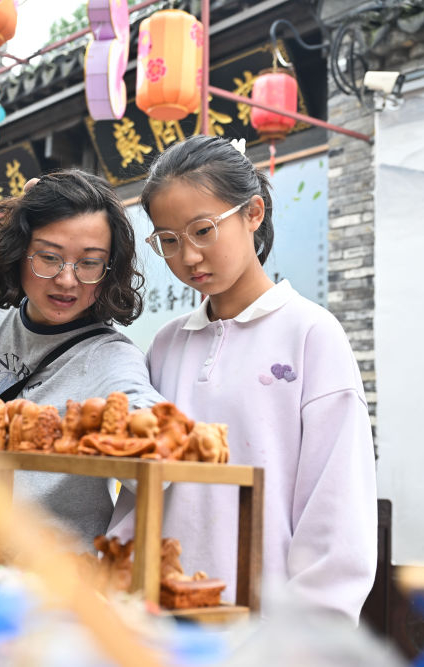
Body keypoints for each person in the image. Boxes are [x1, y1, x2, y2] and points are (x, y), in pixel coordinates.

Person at [107, 135, 377, 622]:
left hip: (265, 630)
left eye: (203, 230)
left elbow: (336, 506)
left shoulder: (311, 334)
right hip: (158, 620)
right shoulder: (167, 345)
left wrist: (308, 635)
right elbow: (141, 489)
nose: (189, 257)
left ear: (253, 213)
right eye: (168, 240)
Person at [0, 169, 164, 544]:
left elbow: (150, 434)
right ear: (19, 253)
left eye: (89, 262)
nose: (67, 279)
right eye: (49, 257)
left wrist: (146, 434)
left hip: (49, 568)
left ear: (109, 269)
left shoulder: (111, 357)